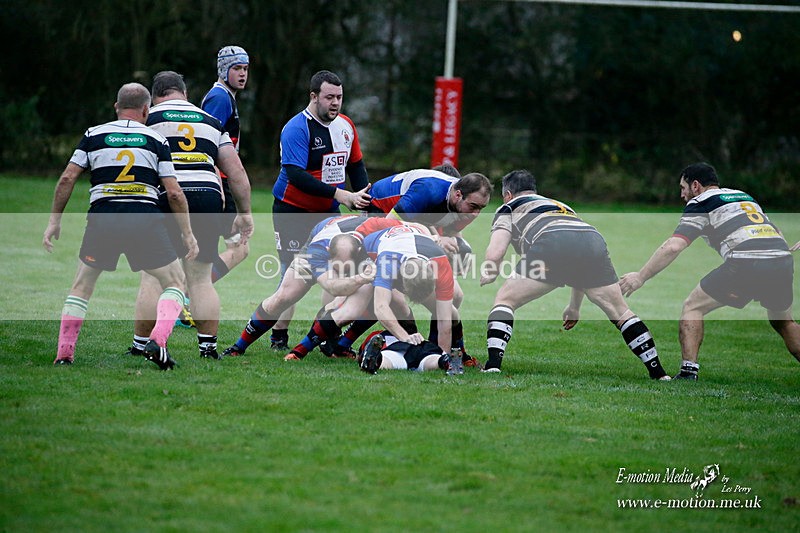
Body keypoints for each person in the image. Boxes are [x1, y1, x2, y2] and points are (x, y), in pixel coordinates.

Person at [42, 83, 198, 370]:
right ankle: (158, 341)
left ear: (116, 107)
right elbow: (174, 193)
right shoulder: (156, 140)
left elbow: (67, 178)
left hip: (103, 219)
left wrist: (55, 220)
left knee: (82, 286)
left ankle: (64, 353)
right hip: (145, 220)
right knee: (175, 282)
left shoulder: (93, 135)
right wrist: (188, 234)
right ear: (145, 110)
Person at [480, 169, 670, 380]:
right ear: (534, 191)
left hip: (551, 240)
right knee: (621, 312)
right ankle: (658, 372)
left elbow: (497, 249)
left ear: (508, 194)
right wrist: (574, 307)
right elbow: (575, 251)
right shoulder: (562, 206)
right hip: (592, 239)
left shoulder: (509, 207)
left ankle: (493, 365)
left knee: (505, 300)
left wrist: (491, 268)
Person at [619, 162, 800, 380]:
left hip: (746, 262)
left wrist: (640, 277)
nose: (682, 195)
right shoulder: (742, 195)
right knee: (783, 322)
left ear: (696, 186)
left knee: (692, 306)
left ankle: (688, 373)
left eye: (683, 188)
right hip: (781, 259)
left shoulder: (701, 202)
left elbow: (674, 246)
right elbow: (773, 229)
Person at [128, 71, 254, 360]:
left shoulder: (150, 117)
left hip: (166, 194)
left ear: (154, 96)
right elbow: (236, 172)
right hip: (207, 196)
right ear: (184, 94)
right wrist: (245, 213)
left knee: (152, 276)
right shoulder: (210, 121)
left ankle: (140, 345)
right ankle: (208, 348)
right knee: (200, 278)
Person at [269, 69, 372, 350]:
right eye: (329, 97)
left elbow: (356, 166)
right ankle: (279, 336)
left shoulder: (346, 126)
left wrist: (364, 200)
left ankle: (328, 333)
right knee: (293, 273)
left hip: (329, 214)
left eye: (339, 97)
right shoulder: (296, 128)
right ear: (314, 97)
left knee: (338, 273)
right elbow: (296, 175)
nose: (335, 103)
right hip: (292, 211)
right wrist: (341, 194)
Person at [221, 214, 378, 357]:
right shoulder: (318, 250)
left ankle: (337, 346)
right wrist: (359, 279)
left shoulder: (381, 243)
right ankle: (238, 347)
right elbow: (332, 287)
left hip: (368, 247)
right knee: (285, 295)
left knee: (376, 299)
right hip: (324, 235)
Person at [201, 45, 252, 285]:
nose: (243, 74)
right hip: (219, 182)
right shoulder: (220, 98)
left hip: (219, 181)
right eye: (237, 68)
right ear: (223, 70)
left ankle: (186, 296)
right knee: (239, 248)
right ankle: (188, 297)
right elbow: (206, 143)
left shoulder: (224, 97)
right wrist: (217, 181)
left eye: (245, 68)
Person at [358, 330, 452, 374]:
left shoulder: (377, 335)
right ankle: (444, 361)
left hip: (395, 349)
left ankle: (376, 361)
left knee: (388, 360)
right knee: (430, 360)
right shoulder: (413, 332)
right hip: (421, 344)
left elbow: (362, 352)